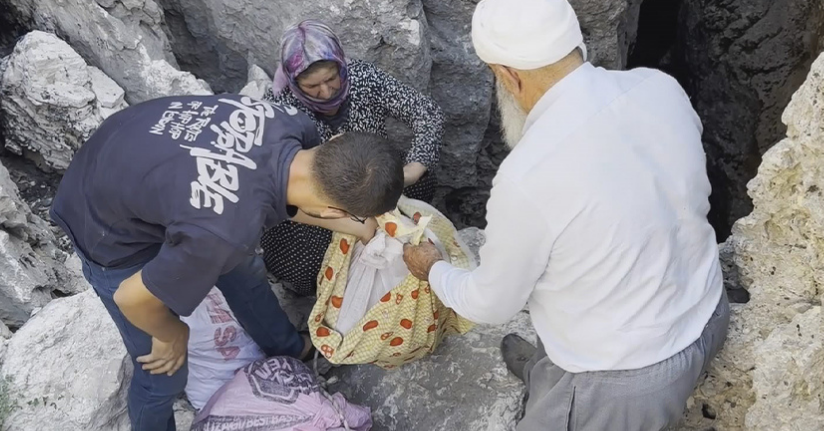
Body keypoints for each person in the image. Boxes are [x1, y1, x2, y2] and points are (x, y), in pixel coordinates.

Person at [403, 0, 730, 429]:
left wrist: (434, 270)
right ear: (575, 42)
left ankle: (567, 394)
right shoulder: (658, 86)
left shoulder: (528, 176)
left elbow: (491, 303)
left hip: (629, 380)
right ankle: (550, 375)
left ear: (507, 75)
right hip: (708, 309)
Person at [49, 94, 403, 431]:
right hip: (102, 224)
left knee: (242, 267)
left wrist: (353, 226)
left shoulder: (289, 124)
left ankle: (291, 348)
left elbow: (274, 189)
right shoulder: (223, 231)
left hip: (131, 143)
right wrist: (172, 334)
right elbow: (131, 297)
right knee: (163, 373)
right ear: (331, 207)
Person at [260, 19, 446, 296]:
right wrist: (347, 221)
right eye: (312, 86)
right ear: (293, 81)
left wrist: (411, 171)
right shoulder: (279, 108)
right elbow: (277, 190)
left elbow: (428, 114)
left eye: (331, 78)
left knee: (421, 185)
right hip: (316, 204)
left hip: (370, 181)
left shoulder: (362, 78)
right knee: (300, 264)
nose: (326, 91)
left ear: (341, 65)